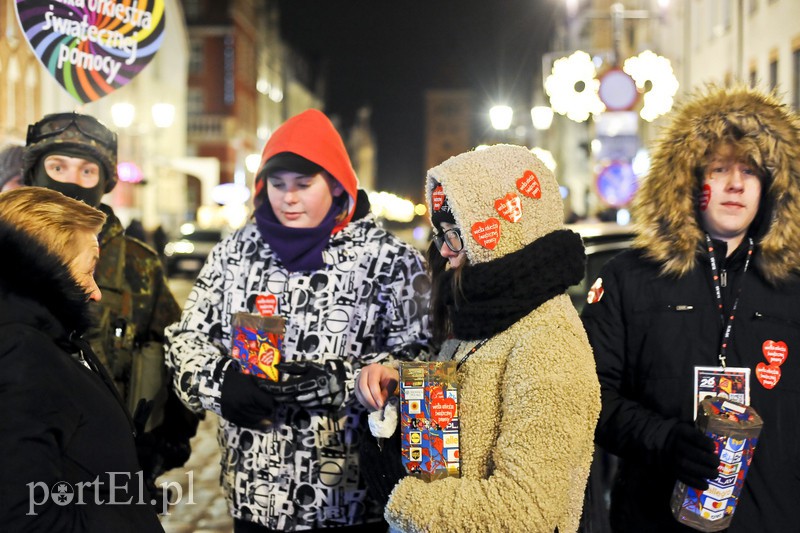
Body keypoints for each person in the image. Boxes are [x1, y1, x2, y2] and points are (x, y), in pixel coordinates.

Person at [164, 108, 431, 532]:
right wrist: (222, 384)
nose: (289, 198)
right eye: (277, 184)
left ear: (337, 186)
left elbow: (422, 354)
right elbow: (187, 340)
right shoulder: (235, 254)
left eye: (304, 185)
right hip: (254, 496)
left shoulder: (389, 261)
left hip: (350, 501)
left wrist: (346, 382)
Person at [581, 84, 800, 532]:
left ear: (771, 184)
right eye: (719, 168)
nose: (736, 184)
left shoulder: (793, 284)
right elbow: (587, 396)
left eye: (750, 170)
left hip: (772, 518)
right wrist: (661, 439)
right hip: (654, 517)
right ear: (688, 178)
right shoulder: (631, 277)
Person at [356, 144, 601, 533]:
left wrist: (400, 495)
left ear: (502, 233)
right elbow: (466, 422)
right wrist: (403, 390)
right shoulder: (485, 315)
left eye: (456, 235)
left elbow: (524, 511)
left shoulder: (548, 340)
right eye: (441, 237)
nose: (448, 254)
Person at [22, 112, 198, 500]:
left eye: (87, 172)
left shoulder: (138, 264)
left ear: (105, 182)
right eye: (57, 166)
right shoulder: (8, 251)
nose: (71, 182)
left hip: (113, 475)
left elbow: (176, 350)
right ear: (34, 173)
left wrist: (159, 447)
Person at [0, 187, 164, 532]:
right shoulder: (21, 351)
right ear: (47, 265)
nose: (96, 291)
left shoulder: (52, 335)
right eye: (89, 268)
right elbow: (25, 518)